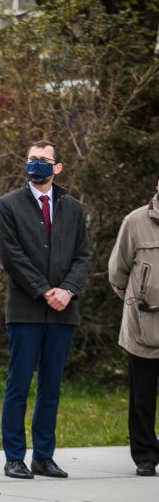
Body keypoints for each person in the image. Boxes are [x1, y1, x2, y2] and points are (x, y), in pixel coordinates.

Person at [0, 140, 90, 479]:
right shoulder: (9, 205)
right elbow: (11, 255)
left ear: (58, 167)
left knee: (51, 387)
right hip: (25, 310)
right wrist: (43, 290)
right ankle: (14, 458)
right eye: (32, 158)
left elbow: (83, 256)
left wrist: (68, 290)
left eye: (44, 160)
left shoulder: (74, 208)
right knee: (18, 385)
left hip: (64, 311)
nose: (36, 164)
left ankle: (44, 456)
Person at [108, 168, 159, 477]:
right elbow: (118, 273)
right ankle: (145, 455)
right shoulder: (135, 222)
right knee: (142, 397)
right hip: (144, 326)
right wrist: (135, 304)